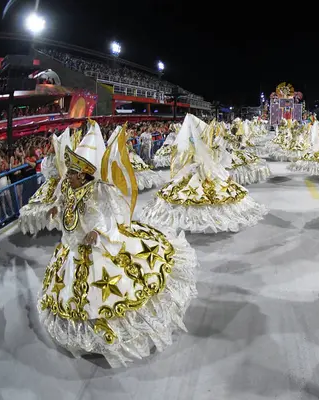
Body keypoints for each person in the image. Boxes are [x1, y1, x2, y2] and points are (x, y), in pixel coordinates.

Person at [39, 121, 198, 367]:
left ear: (82, 174)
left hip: (95, 244)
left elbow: (106, 214)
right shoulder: (68, 188)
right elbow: (64, 203)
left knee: (109, 292)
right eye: (68, 172)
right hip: (72, 245)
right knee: (75, 292)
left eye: (71, 172)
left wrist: (97, 231)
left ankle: (112, 329)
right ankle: (88, 327)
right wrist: (55, 208)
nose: (67, 176)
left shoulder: (96, 190)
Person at [141, 114, 268, 233]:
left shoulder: (192, 143)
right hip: (199, 170)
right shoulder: (203, 143)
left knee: (193, 190)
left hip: (198, 170)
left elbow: (189, 158)